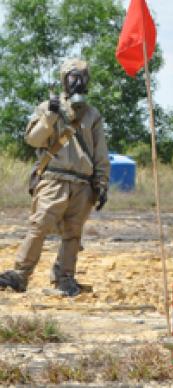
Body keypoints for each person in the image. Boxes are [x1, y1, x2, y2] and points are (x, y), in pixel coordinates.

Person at [0, 58, 109, 297]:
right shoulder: (47, 108)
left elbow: (101, 153)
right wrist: (50, 116)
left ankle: (64, 277)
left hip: (82, 184)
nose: (78, 82)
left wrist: (102, 183)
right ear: (63, 80)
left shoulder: (92, 115)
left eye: (82, 77)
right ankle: (20, 274)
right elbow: (33, 140)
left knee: (73, 233)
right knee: (39, 226)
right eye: (72, 77)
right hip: (53, 178)